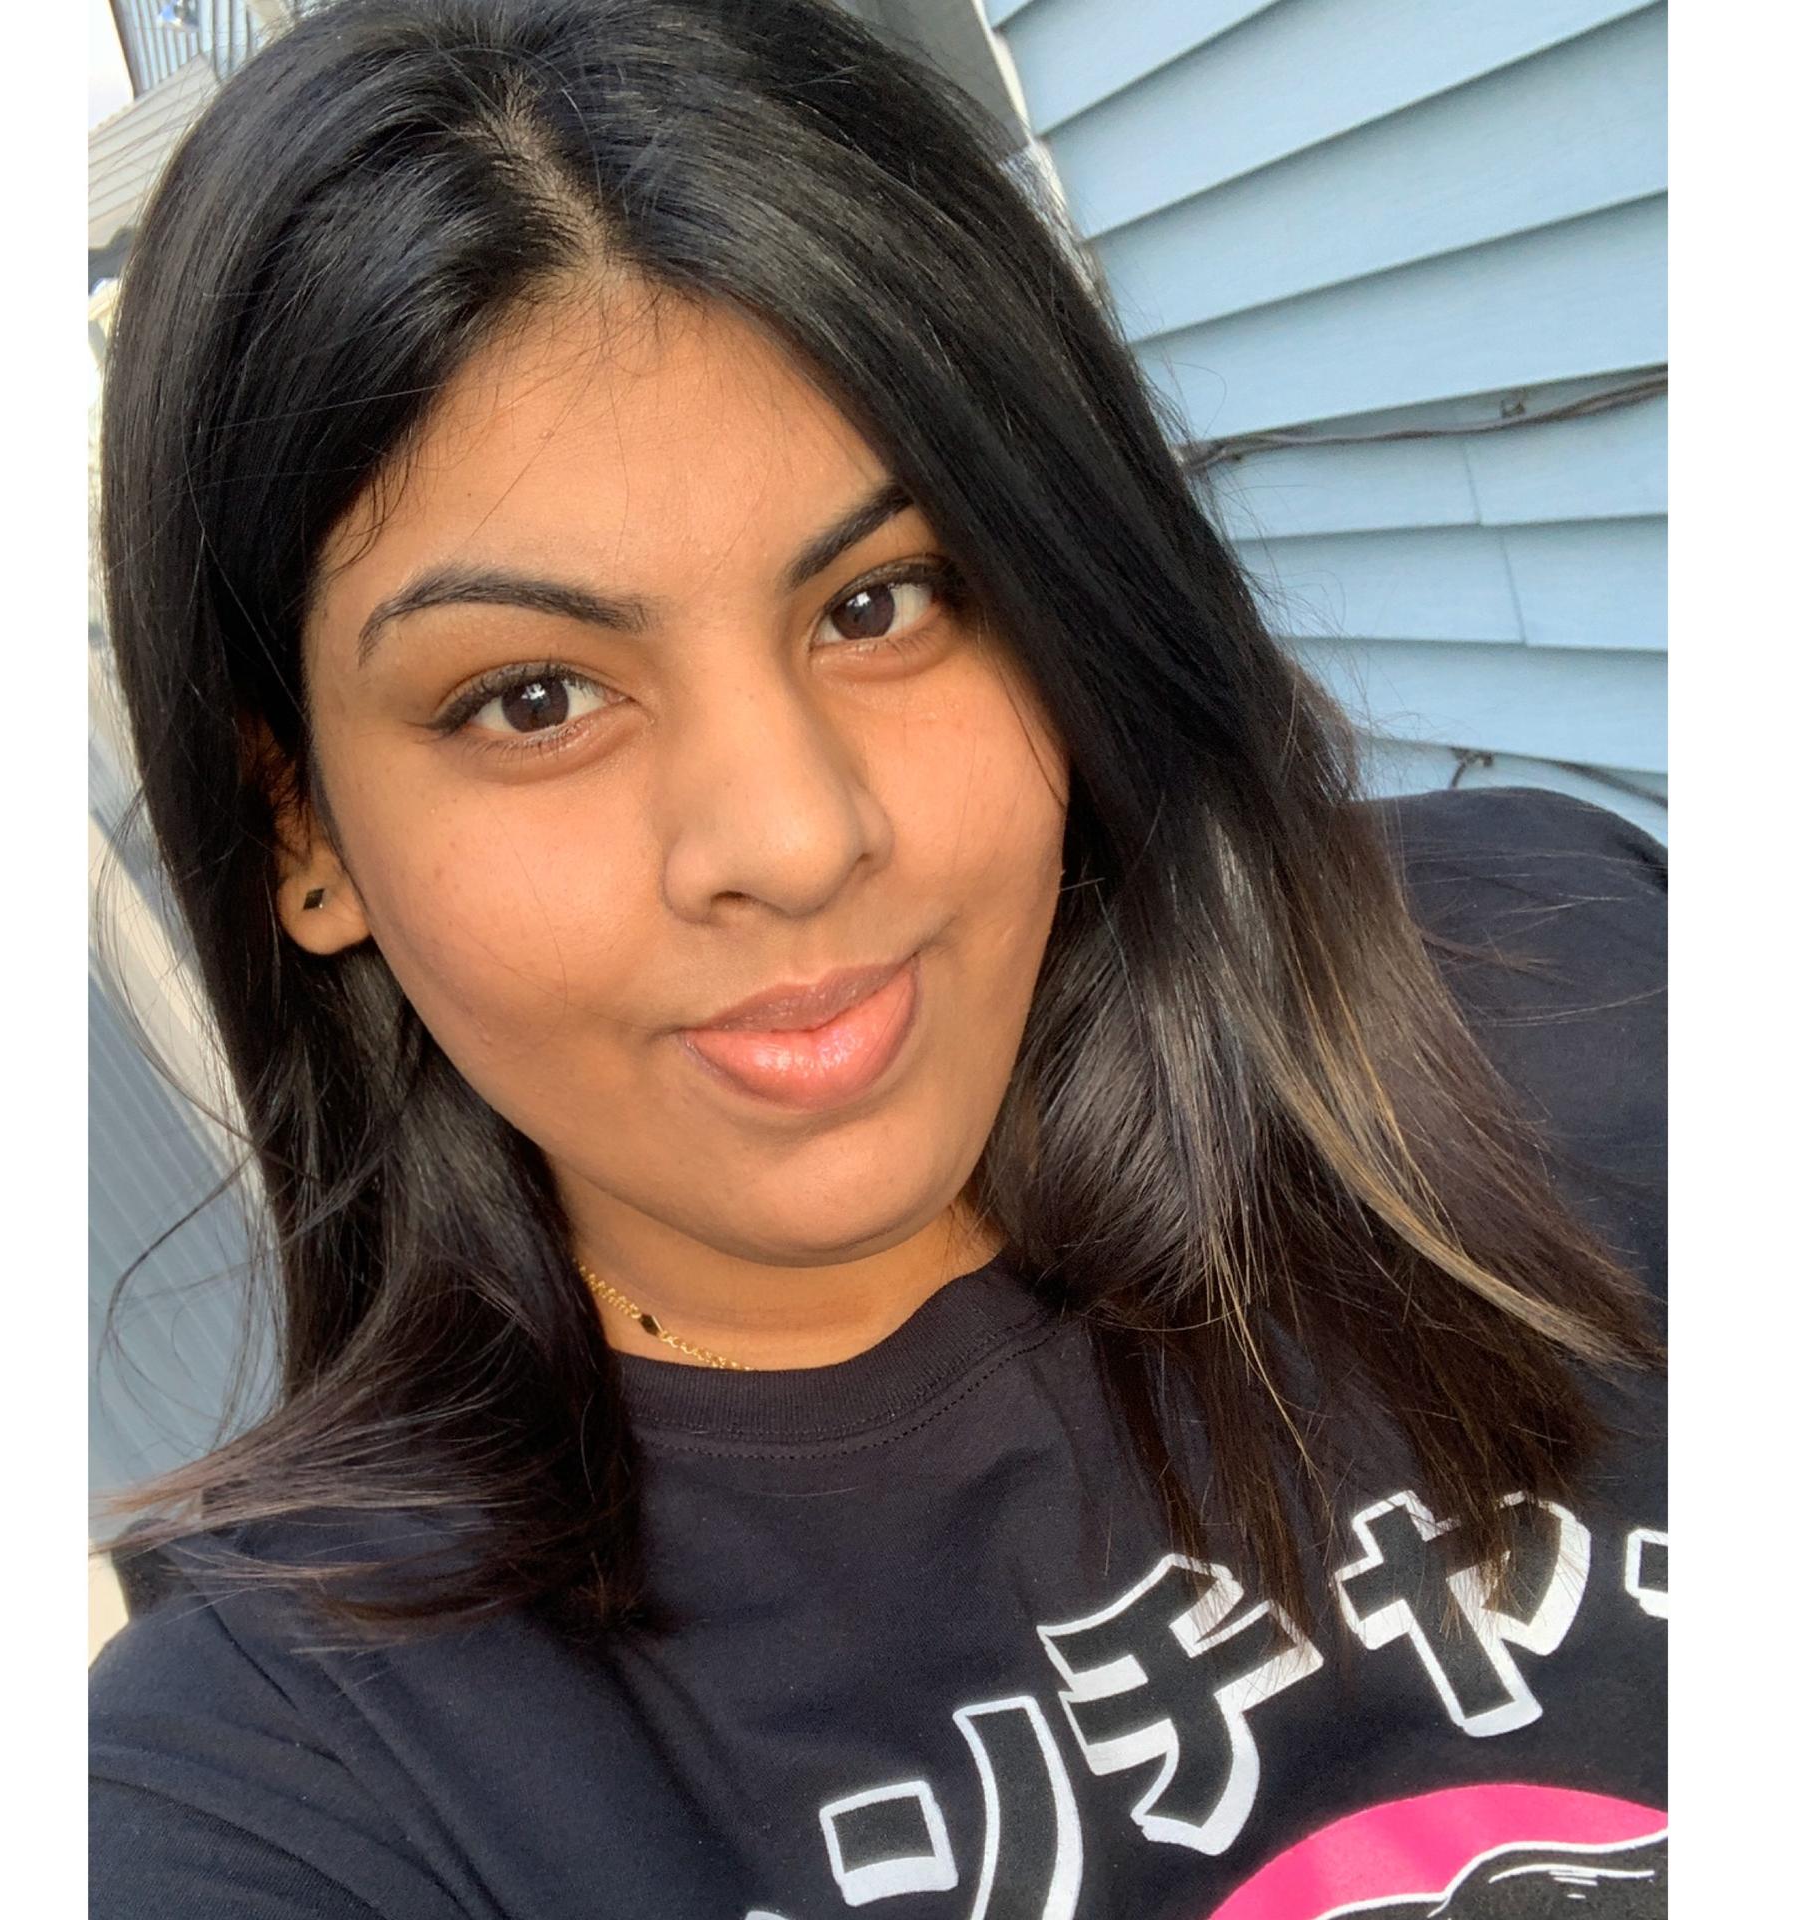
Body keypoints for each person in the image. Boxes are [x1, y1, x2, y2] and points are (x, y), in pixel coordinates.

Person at [88, 2, 1667, 1914]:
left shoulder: (1579, 990)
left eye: (882, 600)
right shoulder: (291, 1771)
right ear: (303, 832)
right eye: (531, 699)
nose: (793, 836)